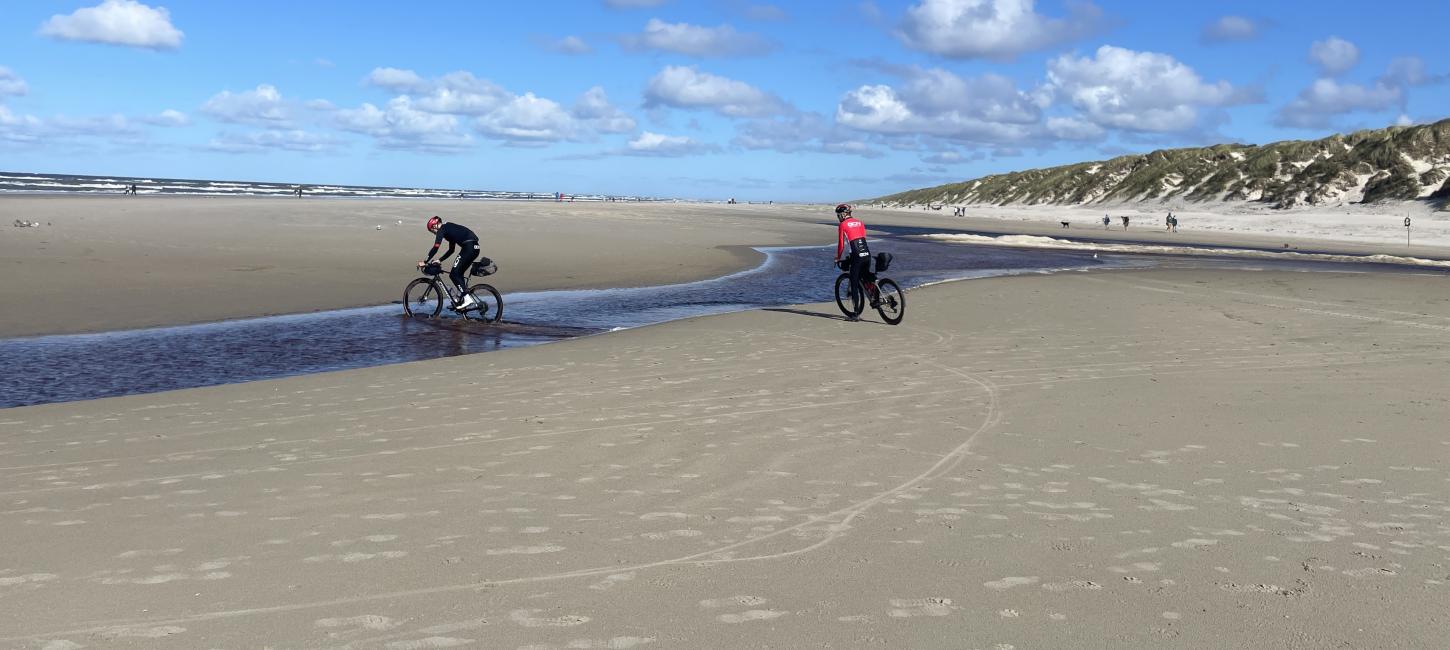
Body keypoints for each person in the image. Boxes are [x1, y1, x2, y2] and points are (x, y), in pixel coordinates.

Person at [418, 216, 482, 310]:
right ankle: (463, 299)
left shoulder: (442, 229)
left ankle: (467, 299)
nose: (433, 233)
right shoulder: (449, 230)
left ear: (435, 226)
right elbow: (451, 250)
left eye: (432, 230)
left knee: (454, 274)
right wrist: (440, 260)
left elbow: (436, 247)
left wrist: (425, 261)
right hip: (475, 248)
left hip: (468, 248)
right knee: (458, 274)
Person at [834, 203, 872, 321]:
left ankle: (855, 314)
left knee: (854, 283)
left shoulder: (843, 225)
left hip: (857, 256)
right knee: (867, 278)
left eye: (839, 215)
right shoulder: (860, 222)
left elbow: (841, 244)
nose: (838, 217)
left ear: (844, 214)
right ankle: (875, 298)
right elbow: (862, 239)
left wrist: (837, 257)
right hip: (867, 254)